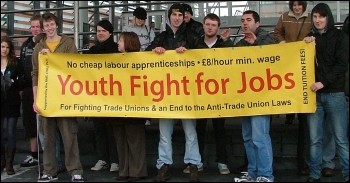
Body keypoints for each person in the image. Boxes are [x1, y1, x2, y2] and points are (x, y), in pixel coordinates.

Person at [145, 3, 202, 182]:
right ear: (169, 17)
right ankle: (163, 164)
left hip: (186, 91)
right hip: (166, 92)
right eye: (174, 15)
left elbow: (203, 56)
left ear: (184, 16)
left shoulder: (191, 36)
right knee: (164, 132)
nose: (177, 18)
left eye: (180, 15)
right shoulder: (161, 37)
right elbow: (145, 55)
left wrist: (189, 53)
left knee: (190, 130)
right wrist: (155, 51)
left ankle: (194, 164)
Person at [32, 12, 84, 182]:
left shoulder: (68, 43)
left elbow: (75, 67)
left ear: (57, 25)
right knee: (48, 138)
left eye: (52, 24)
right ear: (43, 27)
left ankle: (75, 170)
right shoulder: (38, 48)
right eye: (46, 25)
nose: (49, 28)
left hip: (65, 97)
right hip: (47, 98)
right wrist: (36, 99)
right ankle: (49, 171)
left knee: (69, 136)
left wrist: (54, 58)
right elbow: (35, 74)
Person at [303, 3, 349, 182]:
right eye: (315, 17)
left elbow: (341, 65)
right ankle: (314, 174)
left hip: (335, 94)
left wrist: (323, 82)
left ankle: (347, 174)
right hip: (315, 96)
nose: (318, 20)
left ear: (328, 17)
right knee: (315, 139)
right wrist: (306, 45)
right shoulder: (310, 37)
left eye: (321, 16)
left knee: (341, 139)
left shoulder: (340, 36)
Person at [184, 13, 233, 176]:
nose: (210, 27)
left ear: (218, 28)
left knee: (220, 129)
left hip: (219, 94)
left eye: (213, 25)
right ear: (203, 26)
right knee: (200, 129)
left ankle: (222, 161)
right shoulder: (195, 44)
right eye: (207, 24)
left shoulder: (224, 45)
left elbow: (236, 60)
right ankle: (197, 162)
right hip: (199, 94)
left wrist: (228, 41)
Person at [233, 10, 276, 182]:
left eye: (248, 20)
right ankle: (253, 173)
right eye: (243, 20)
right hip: (246, 98)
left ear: (257, 23)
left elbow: (275, 58)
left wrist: (255, 43)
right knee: (248, 138)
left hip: (262, 98)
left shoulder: (267, 39)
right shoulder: (241, 42)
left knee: (260, 137)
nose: (245, 23)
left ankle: (266, 175)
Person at [273, 1, 312, 174]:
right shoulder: (284, 17)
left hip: (304, 63)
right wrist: (282, 43)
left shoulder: (311, 18)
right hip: (288, 60)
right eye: (294, 5)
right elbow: (277, 32)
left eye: (299, 5)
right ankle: (289, 114)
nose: (296, 8)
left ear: (303, 6)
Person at [113, 32, 148, 182]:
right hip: (118, 107)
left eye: (120, 40)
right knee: (121, 141)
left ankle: (137, 171)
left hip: (135, 107)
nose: (118, 43)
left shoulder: (141, 61)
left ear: (128, 42)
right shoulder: (113, 60)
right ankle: (124, 170)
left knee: (135, 141)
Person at [86, 19, 120, 173]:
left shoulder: (116, 49)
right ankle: (103, 158)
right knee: (99, 129)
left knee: (112, 129)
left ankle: (115, 160)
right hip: (96, 96)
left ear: (110, 33)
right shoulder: (92, 51)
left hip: (112, 95)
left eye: (103, 31)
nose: (100, 33)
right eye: (98, 30)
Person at [17, 14, 42, 168]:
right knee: (29, 122)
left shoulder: (45, 43)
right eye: (32, 27)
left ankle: (48, 155)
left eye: (37, 27)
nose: (34, 29)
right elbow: (21, 66)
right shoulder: (26, 44)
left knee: (46, 125)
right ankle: (34, 154)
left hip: (44, 88)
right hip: (28, 89)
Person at [1, 36, 21, 175]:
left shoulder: (15, 63)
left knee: (11, 132)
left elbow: (24, 80)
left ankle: (9, 164)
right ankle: (2, 161)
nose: (5, 50)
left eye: (7, 47)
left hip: (12, 102)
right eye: (2, 47)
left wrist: (14, 83)